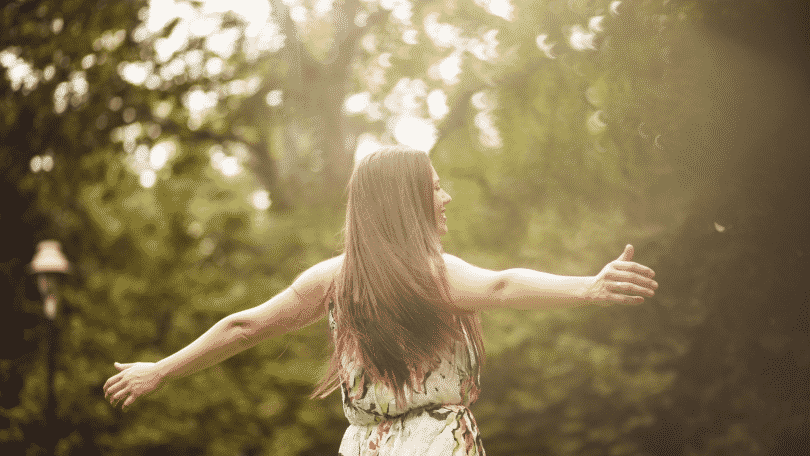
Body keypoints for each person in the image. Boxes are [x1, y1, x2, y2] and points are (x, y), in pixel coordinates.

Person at [103, 146, 657, 455]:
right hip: (436, 445)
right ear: (406, 202)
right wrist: (588, 288)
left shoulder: (335, 277)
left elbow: (246, 327)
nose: (446, 197)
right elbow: (500, 286)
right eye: (435, 188)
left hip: (364, 447)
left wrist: (163, 370)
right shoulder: (434, 274)